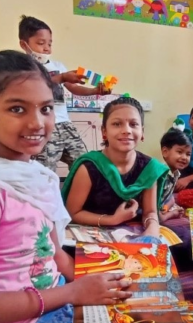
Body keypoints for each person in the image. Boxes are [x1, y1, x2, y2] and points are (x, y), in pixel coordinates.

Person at [0, 50, 191, 323]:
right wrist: (74, 292)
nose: (37, 123)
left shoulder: (41, 178)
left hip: (60, 304)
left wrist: (112, 282)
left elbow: (57, 258)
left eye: (46, 109)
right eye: (17, 108)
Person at [62, 97, 169, 244]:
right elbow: (73, 213)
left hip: (130, 233)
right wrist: (113, 220)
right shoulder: (89, 167)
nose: (126, 130)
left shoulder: (149, 168)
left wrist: (151, 230)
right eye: (117, 124)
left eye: (133, 124)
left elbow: (150, 212)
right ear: (104, 131)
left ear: (142, 132)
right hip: (92, 232)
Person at [18, 15, 110, 171]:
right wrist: (62, 77)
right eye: (41, 43)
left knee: (84, 164)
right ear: (24, 44)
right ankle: (47, 194)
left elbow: (73, 88)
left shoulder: (58, 66)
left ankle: (80, 193)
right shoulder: (24, 67)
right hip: (45, 127)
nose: (47, 48)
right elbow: (35, 87)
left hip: (65, 125)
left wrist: (96, 91)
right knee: (45, 169)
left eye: (49, 43)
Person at [159, 130, 193, 271]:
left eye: (188, 154)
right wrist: (170, 214)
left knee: (191, 234)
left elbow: (170, 199)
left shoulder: (174, 173)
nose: (184, 157)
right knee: (184, 239)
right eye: (179, 152)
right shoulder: (159, 175)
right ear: (165, 152)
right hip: (146, 216)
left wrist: (167, 207)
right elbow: (156, 216)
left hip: (157, 211)